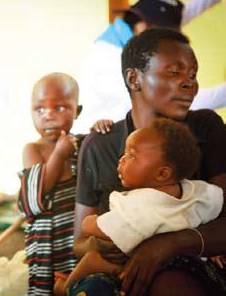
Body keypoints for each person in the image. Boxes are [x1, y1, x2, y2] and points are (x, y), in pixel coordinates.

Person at [72, 27, 226, 296]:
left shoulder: (206, 128)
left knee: (168, 283)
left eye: (193, 74)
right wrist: (101, 245)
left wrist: (164, 245)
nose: (189, 83)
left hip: (187, 263)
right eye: (174, 72)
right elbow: (79, 242)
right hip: (115, 267)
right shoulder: (100, 145)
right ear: (134, 78)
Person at [55, 118, 223, 295]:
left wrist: (89, 223)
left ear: (162, 173)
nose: (121, 160)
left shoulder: (141, 204)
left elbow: (104, 229)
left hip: (138, 265)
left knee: (93, 258)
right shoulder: (196, 191)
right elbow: (214, 208)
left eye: (131, 155)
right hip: (186, 262)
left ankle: (64, 289)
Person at [74, 0, 226, 134]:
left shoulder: (130, 33)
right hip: (103, 143)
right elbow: (180, 98)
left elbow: (182, 14)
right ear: (144, 27)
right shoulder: (109, 57)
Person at [17, 73, 83, 295]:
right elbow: (36, 194)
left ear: (78, 111)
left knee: (76, 285)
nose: (48, 116)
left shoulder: (82, 145)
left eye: (60, 108)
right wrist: (59, 154)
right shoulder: (32, 149)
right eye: (40, 109)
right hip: (48, 245)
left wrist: (103, 127)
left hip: (75, 238)